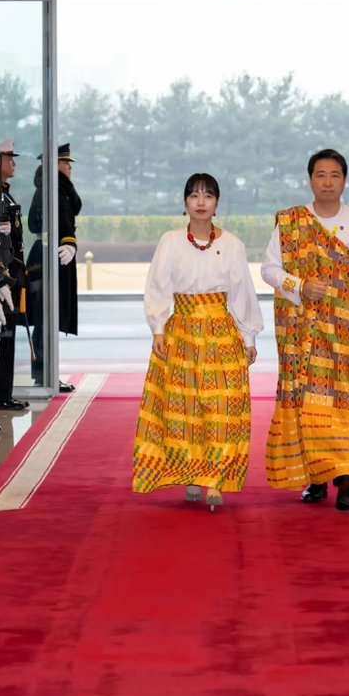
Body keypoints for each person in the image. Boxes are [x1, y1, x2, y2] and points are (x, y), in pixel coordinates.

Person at [262, 149, 349, 511]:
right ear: (310, 180)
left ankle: (346, 474)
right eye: (320, 175)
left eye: (335, 175)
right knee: (306, 399)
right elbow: (269, 269)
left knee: (343, 400)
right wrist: (299, 285)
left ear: (344, 181)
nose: (328, 182)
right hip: (300, 331)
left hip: (344, 331)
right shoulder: (290, 222)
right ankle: (317, 479)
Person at [132, 174, 263, 510]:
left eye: (207, 196)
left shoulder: (232, 244)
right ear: (185, 203)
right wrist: (158, 330)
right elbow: (157, 287)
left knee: (221, 408)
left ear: (217, 203)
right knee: (186, 409)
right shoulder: (171, 241)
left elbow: (242, 292)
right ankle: (192, 475)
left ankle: (216, 478)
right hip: (182, 333)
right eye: (194, 195)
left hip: (222, 332)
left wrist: (248, 336)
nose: (201, 202)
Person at [28, 143, 81, 393]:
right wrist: (68, 241)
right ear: (56, 165)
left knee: (48, 317)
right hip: (52, 258)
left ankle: (47, 374)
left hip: (53, 255)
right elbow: (49, 221)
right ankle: (45, 374)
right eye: (66, 163)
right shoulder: (52, 189)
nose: (69, 168)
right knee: (46, 317)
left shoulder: (54, 188)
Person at [0, 139, 29, 411]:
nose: (13, 164)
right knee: (0, 335)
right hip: (0, 276)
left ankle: (2, 390)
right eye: (9, 159)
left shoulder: (3, 193)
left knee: (7, 333)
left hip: (11, 275)